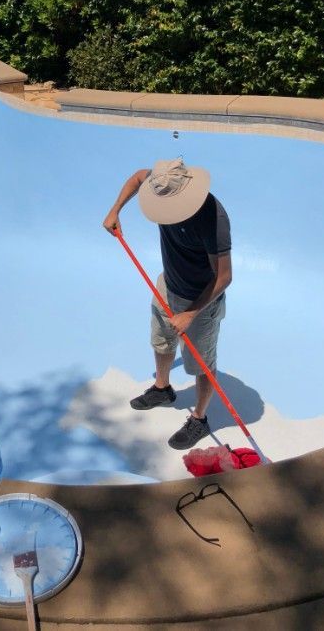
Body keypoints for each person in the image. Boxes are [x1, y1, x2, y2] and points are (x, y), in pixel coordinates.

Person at [102, 157, 232, 450]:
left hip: (201, 301)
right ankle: (162, 389)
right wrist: (115, 210)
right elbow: (137, 176)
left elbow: (224, 277)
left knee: (202, 364)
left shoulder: (213, 219)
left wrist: (190, 313)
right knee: (161, 342)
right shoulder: (160, 182)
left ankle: (200, 418)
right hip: (168, 284)